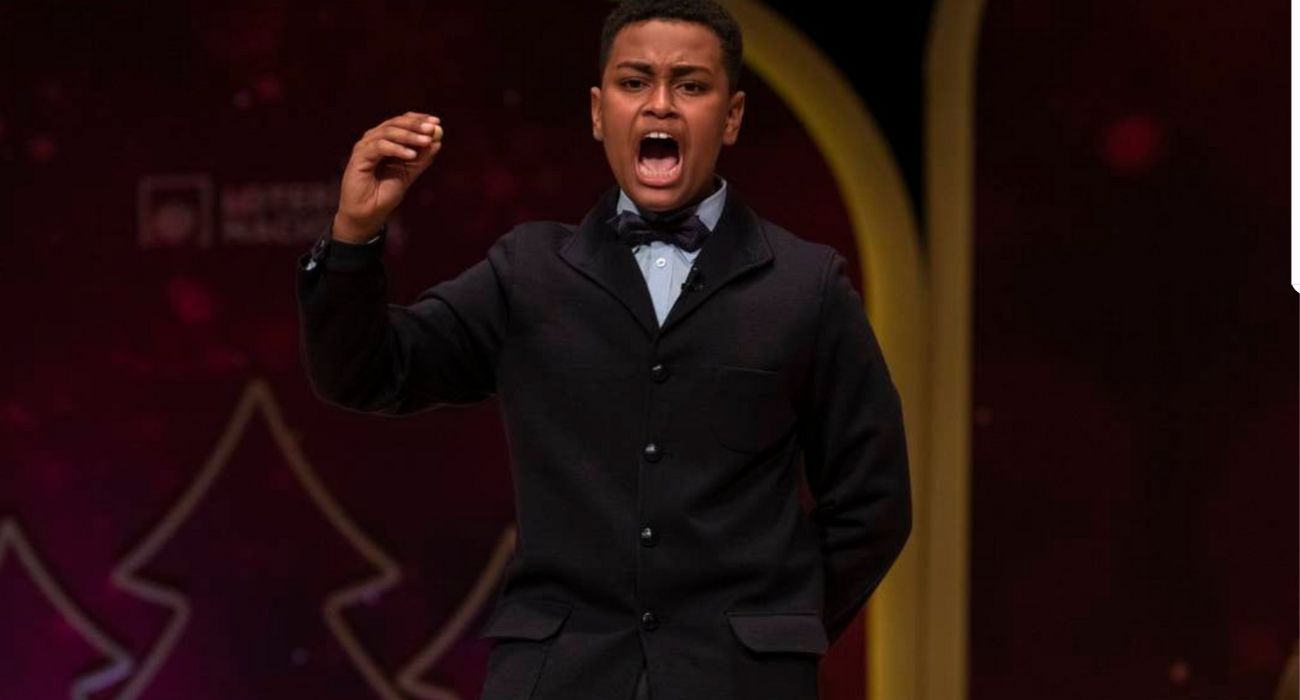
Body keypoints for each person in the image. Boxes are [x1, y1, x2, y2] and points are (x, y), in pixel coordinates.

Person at [295, 1, 912, 698]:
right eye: (634, 81)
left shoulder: (806, 284)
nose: (660, 104)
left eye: (690, 84)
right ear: (598, 112)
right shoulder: (527, 272)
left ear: (732, 116)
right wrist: (354, 237)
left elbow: (874, 501)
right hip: (558, 679)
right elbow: (366, 373)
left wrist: (772, 632)